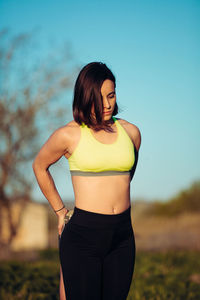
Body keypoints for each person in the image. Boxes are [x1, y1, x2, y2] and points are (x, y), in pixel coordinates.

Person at [32, 62, 141, 300]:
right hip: (83, 238)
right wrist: (60, 210)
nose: (107, 104)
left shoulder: (131, 133)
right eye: (99, 97)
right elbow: (39, 166)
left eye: (111, 95)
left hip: (122, 237)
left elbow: (127, 176)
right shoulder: (69, 135)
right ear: (84, 96)